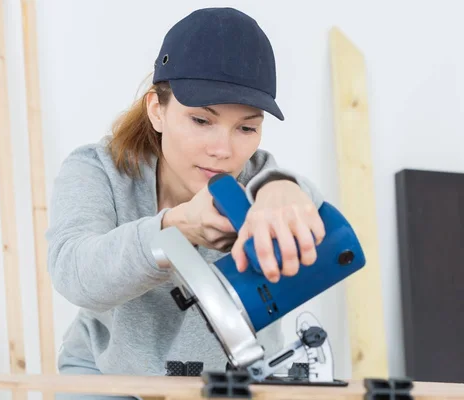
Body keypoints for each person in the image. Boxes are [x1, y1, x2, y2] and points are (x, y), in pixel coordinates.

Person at [46, 7, 326, 400]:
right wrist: (172, 232)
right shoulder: (97, 170)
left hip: (228, 381)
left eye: (246, 127)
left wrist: (286, 188)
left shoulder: (259, 179)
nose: (223, 150)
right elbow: (75, 273)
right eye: (200, 120)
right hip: (106, 373)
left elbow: (301, 198)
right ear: (157, 110)